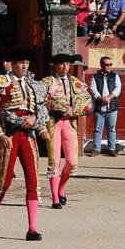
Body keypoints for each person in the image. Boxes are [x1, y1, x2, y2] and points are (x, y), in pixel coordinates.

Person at [0, 47, 50, 241]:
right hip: (10, 136)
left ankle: (32, 228)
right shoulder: (1, 83)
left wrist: (37, 121)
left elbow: (41, 108)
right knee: (5, 181)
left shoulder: (33, 84)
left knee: (33, 180)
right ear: (12, 64)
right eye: (21, 62)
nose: (24, 65)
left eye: (27, 63)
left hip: (28, 136)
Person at [42, 54, 93, 209]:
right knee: (54, 161)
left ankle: (61, 187)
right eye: (61, 64)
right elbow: (41, 102)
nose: (65, 67)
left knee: (72, 161)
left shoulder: (76, 83)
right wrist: (62, 109)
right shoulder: (46, 82)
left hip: (70, 123)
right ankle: (55, 198)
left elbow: (88, 103)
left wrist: (75, 110)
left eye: (67, 64)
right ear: (55, 66)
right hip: (53, 124)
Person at [88, 56, 122, 156]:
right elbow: (93, 89)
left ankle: (111, 149)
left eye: (110, 64)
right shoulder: (95, 77)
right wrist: (101, 98)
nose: (108, 66)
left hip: (112, 106)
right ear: (102, 65)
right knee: (98, 129)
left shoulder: (115, 76)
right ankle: (96, 149)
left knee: (111, 128)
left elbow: (118, 88)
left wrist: (109, 97)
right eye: (106, 64)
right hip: (99, 106)